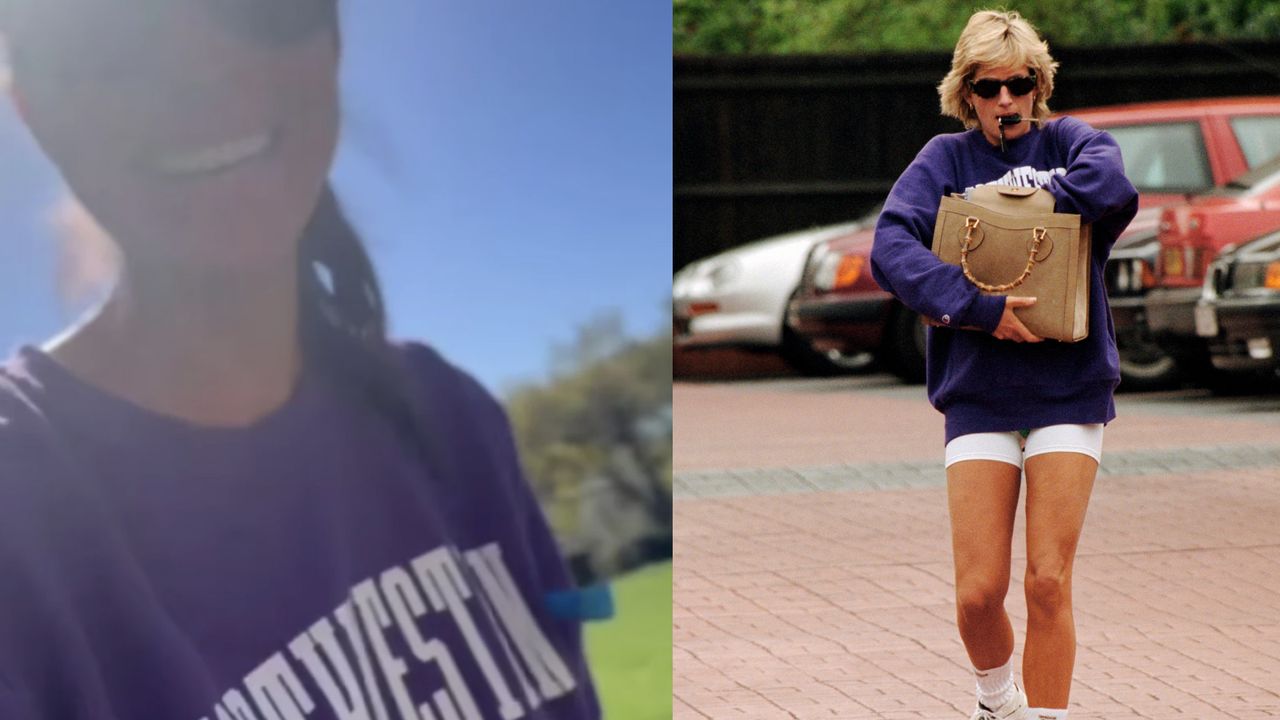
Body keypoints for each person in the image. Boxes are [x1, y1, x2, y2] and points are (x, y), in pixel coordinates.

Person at [0, 1, 601, 718]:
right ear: (36, 112)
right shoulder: (25, 517)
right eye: (116, 31)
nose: (201, 69)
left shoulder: (449, 415)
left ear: (334, 39)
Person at [869, 10, 1138, 720]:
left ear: (1038, 84)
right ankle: (998, 702)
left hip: (1068, 389)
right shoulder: (943, 161)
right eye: (989, 89)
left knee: (1047, 580)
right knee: (977, 593)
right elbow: (891, 246)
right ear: (967, 95)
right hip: (979, 392)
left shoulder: (1071, 143)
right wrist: (977, 306)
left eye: (1020, 84)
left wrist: (1031, 203)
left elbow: (1113, 186)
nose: (1006, 101)